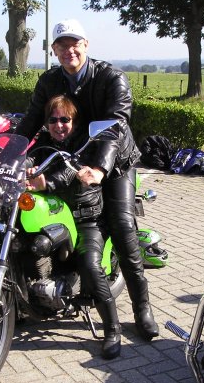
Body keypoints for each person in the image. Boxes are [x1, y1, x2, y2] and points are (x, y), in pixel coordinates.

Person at [16, 19, 159, 344]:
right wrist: (6, 152)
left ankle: (142, 308)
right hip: (74, 159)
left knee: (122, 228)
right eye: (61, 45)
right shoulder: (50, 80)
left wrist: (100, 168)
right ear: (54, 50)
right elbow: (32, 119)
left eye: (74, 43)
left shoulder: (111, 78)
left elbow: (115, 126)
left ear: (86, 45)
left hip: (115, 164)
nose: (69, 50)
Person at [27, 95, 121, 359]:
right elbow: (27, 158)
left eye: (64, 119)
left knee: (89, 265)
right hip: (56, 214)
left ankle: (112, 329)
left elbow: (71, 170)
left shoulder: (85, 144)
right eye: (53, 120)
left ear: (74, 122)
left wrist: (46, 182)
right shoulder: (44, 142)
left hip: (87, 217)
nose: (59, 125)